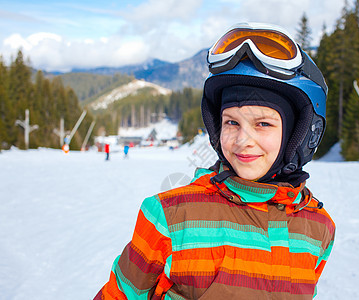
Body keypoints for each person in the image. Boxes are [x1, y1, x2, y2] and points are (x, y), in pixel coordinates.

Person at [94, 22, 335, 299]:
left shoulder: (318, 226)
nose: (243, 140)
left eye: (263, 124)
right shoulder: (170, 215)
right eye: (232, 122)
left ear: (300, 134)